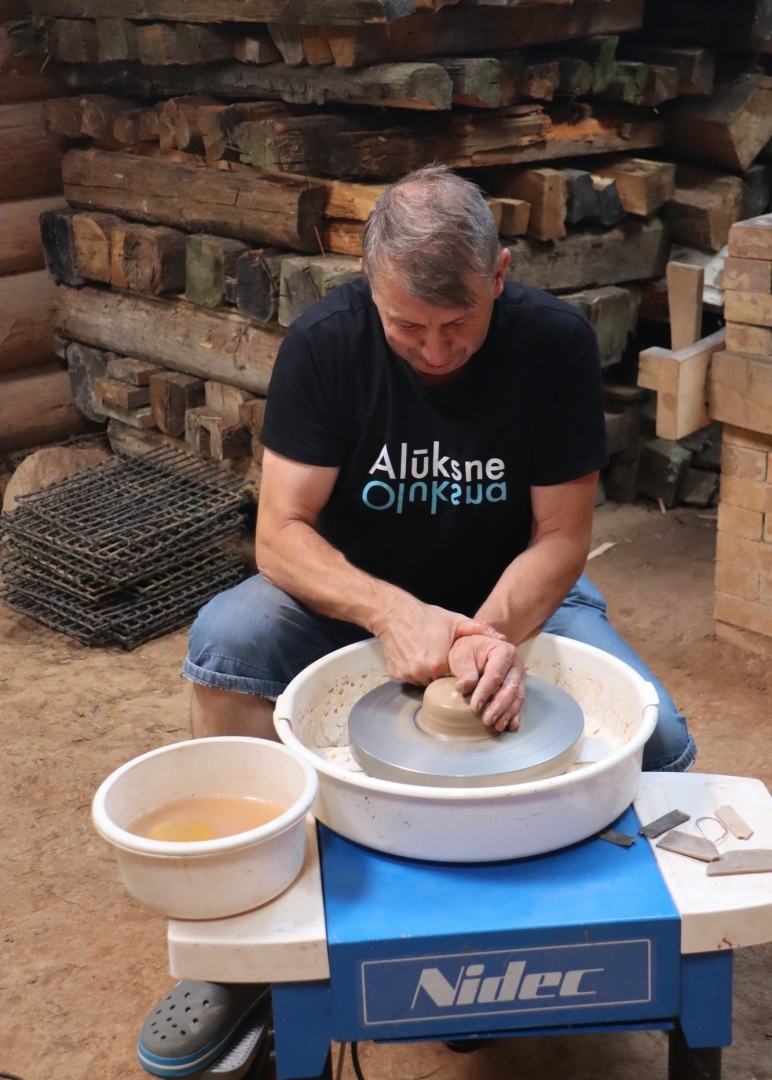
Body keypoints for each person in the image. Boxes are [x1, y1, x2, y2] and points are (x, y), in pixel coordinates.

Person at [137, 165, 695, 1077]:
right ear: (369, 285)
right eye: (408, 327)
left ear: (499, 275)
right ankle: (244, 953)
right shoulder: (326, 344)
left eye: (458, 323)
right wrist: (388, 611)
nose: (435, 350)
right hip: (357, 595)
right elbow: (279, 536)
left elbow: (562, 536)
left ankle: (531, 943)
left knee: (660, 744)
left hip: (515, 595)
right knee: (227, 642)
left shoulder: (553, 344)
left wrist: (490, 634)